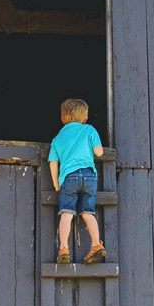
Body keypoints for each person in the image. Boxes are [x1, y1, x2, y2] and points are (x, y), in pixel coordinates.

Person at [49, 98, 106, 264]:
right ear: (85, 119)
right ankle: (96, 244)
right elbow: (99, 152)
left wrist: (56, 184)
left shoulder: (57, 138)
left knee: (67, 213)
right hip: (89, 176)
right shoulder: (89, 129)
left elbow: (53, 163)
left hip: (69, 177)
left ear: (62, 119)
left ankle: (64, 249)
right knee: (88, 212)